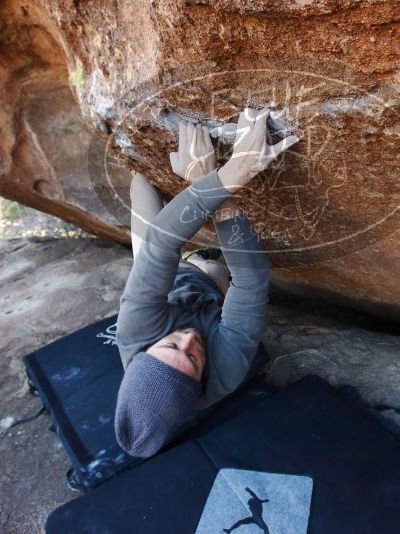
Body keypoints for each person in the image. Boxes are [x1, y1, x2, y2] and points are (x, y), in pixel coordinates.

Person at [114, 107, 300, 458]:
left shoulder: (133, 332)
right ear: (202, 381)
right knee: (216, 273)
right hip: (215, 288)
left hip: (176, 278)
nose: (188, 339)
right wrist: (219, 177)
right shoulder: (225, 375)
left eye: (170, 348)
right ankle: (205, 260)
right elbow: (250, 280)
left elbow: (161, 245)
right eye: (195, 359)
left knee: (141, 183)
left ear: (144, 352)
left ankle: (195, 256)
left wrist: (224, 176)